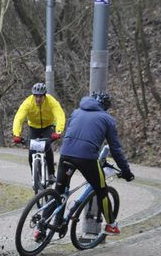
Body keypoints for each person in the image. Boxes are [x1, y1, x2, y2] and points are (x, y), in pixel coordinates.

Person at [54, 91, 134, 236]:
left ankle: (45, 227)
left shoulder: (76, 112)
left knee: (58, 191)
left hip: (65, 153)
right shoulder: (107, 119)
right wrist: (126, 172)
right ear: (105, 106)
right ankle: (111, 225)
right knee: (101, 191)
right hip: (87, 158)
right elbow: (115, 150)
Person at [12, 82, 66, 183]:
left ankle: (51, 174)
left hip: (48, 126)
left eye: (40, 97)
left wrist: (58, 131)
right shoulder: (28, 103)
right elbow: (18, 118)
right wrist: (16, 134)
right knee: (31, 152)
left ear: (44, 96)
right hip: (34, 127)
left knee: (47, 147)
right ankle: (35, 176)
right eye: (36, 96)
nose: (38, 99)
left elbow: (60, 115)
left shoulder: (51, 101)